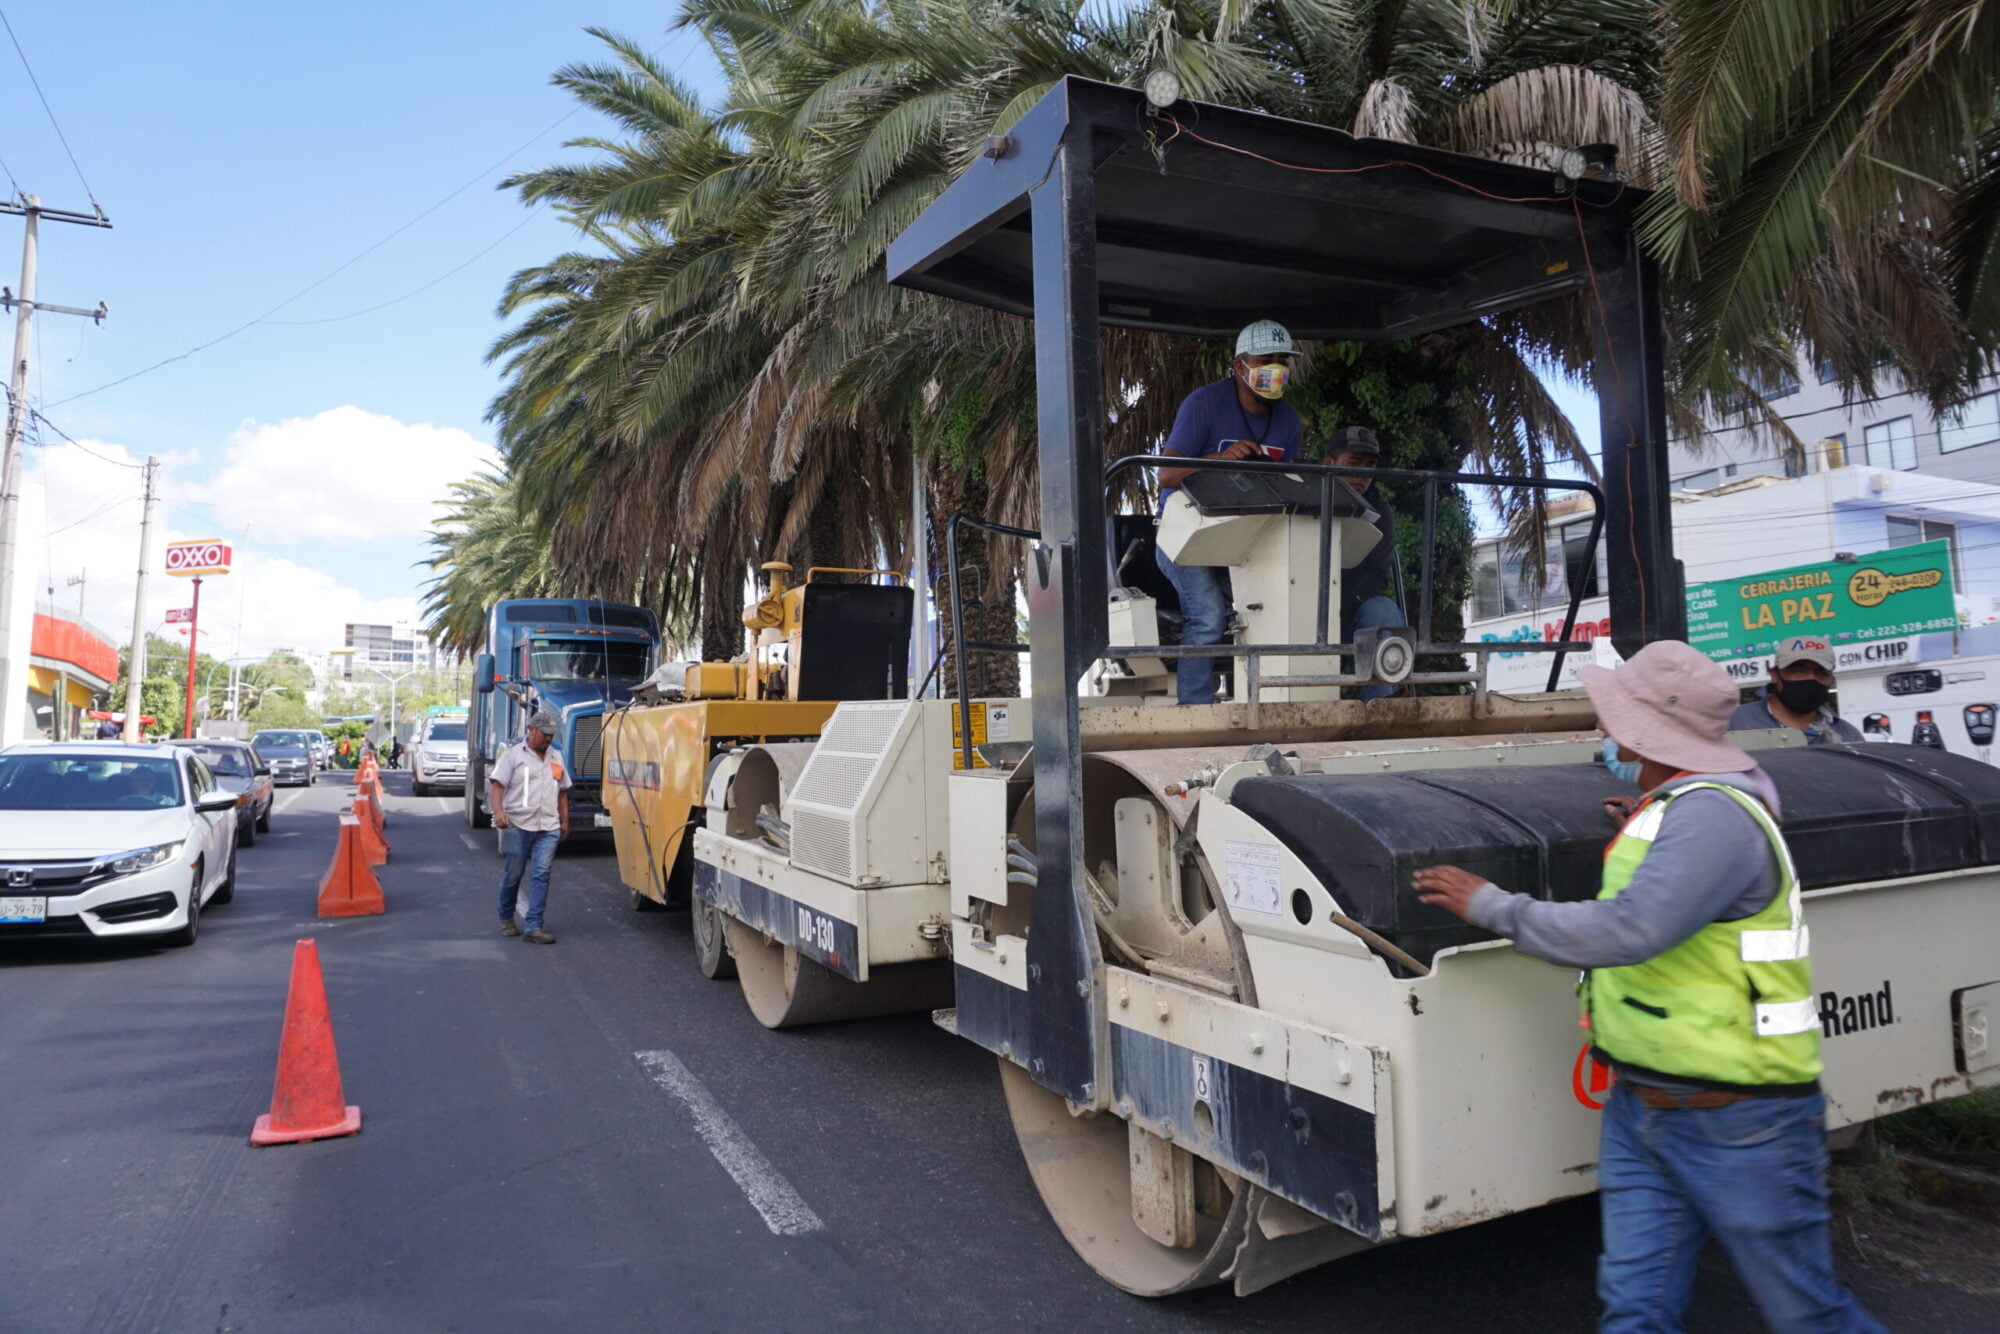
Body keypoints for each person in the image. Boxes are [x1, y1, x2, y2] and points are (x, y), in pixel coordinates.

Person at [1410, 640, 1880, 1334]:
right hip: (1642, 1103)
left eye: (1616, 713)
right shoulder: (1673, 808)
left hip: (1741, 1119)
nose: (1605, 726)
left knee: (1806, 1312)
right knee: (1636, 1307)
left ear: (1645, 728)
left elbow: (1628, 931)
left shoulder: (1713, 816)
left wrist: (1491, 905)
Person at [1154, 319, 1304, 704]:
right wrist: (1219, 459)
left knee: (1271, 607)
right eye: (1266, 359)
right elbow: (1167, 475)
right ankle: (1194, 711)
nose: (1277, 368)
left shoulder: (1288, 420)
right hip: (1184, 534)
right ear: (1240, 366)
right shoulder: (1204, 404)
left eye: (1283, 360)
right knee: (1206, 616)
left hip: (1246, 538)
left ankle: (1266, 703)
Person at [1324, 425, 1407, 703]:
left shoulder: (1378, 510)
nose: (1362, 475)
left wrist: (1341, 609)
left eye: (1369, 466)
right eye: (1354, 464)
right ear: (1329, 463)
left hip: (1348, 615)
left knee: (1382, 609)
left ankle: (1380, 709)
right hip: (1294, 611)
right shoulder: (1303, 498)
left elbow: (1378, 574)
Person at [489, 711, 571, 945]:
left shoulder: (556, 757)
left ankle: (534, 925)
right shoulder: (513, 756)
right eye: (544, 734)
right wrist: (499, 812)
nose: (548, 739)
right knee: (514, 874)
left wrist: (565, 820)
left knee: (542, 874)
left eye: (551, 735)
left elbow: (563, 792)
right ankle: (506, 918)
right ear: (531, 730)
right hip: (517, 824)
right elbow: (497, 786)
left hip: (548, 825)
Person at [1730, 636, 1862, 743]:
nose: (1811, 679)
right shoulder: (1735, 723)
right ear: (1775, 675)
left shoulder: (1848, 736)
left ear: (1831, 680)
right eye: (1798, 671)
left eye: (1821, 673)